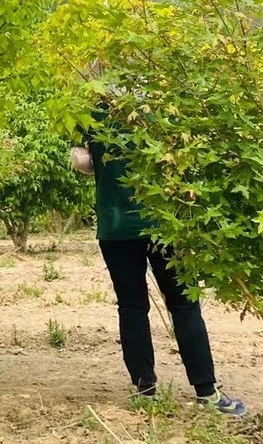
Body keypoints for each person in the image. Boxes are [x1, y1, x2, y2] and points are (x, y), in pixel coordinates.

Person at [72, 125, 247, 416]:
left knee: (132, 307)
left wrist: (95, 160)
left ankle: (145, 391)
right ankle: (207, 391)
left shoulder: (90, 114)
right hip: (167, 225)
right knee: (184, 305)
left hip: (117, 227)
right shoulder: (163, 98)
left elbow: (83, 162)